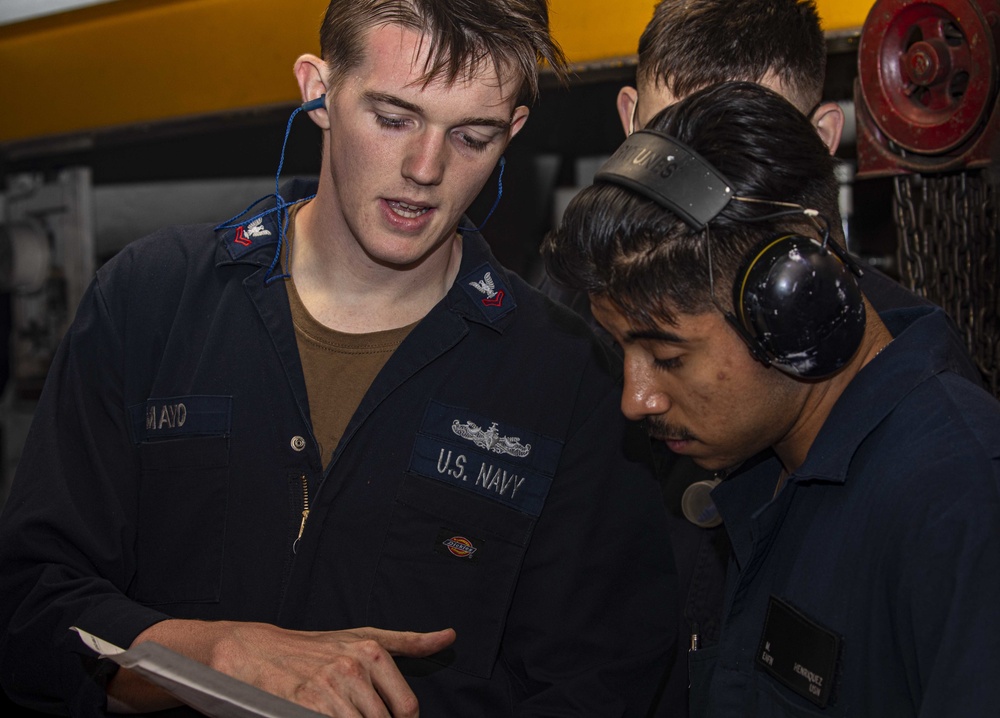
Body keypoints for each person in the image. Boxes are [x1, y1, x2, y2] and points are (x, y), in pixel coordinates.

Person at [0, 1, 679, 716]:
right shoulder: (148, 302)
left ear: (513, 130)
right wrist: (211, 653)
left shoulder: (569, 377)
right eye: (392, 119)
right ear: (316, 90)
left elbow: (602, 679)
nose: (425, 169)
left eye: (472, 137)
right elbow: (30, 608)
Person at [538, 2, 983, 714]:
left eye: (669, 356)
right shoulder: (765, 471)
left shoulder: (957, 504)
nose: (636, 399)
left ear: (790, 304)